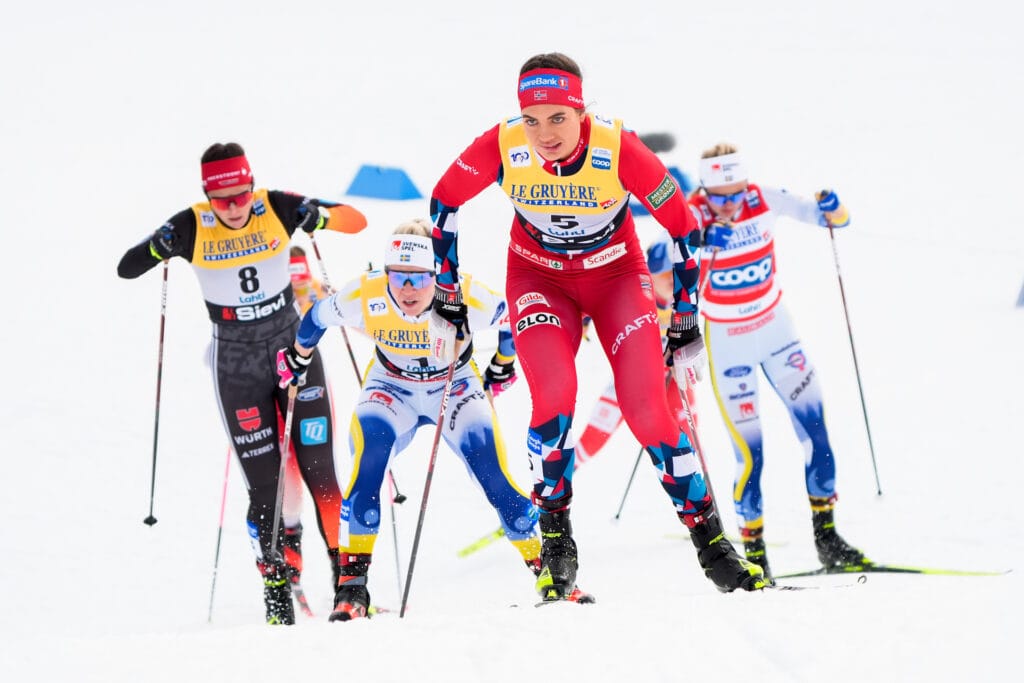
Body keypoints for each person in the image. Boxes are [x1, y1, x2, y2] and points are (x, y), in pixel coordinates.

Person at [426, 52, 767, 599]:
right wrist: (446, 296)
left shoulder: (616, 147)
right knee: (554, 398)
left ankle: (713, 546)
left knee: (646, 409)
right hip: (540, 281)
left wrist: (683, 323)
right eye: (532, 118)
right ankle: (557, 543)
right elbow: (443, 203)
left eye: (558, 117)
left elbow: (682, 232)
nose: (544, 133)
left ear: (580, 111)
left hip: (616, 281)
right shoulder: (503, 144)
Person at [276, 219, 590, 621]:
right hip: (390, 387)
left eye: (419, 278)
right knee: (368, 465)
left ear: (436, 274)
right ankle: (352, 589)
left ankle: (550, 574)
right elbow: (317, 317)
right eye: (399, 277)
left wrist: (503, 362)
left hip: (454, 385)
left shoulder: (463, 292)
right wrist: (298, 357)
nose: (407, 289)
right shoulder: (367, 292)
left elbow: (512, 317)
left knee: (495, 479)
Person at [117, 142, 368, 625]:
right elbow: (127, 268)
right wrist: (157, 246)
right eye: (222, 199)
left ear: (252, 186)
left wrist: (320, 216)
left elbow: (356, 221)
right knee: (265, 489)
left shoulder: (275, 205)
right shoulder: (190, 224)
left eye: (241, 195)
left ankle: (350, 585)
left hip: (293, 349)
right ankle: (277, 592)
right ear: (207, 195)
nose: (234, 207)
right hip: (235, 363)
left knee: (322, 474)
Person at [688, 142, 868, 579]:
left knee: (817, 434)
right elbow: (660, 257)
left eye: (737, 193)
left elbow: (834, 220)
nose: (730, 204)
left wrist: (834, 205)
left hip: (777, 333)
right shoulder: (692, 212)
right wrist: (701, 240)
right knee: (751, 457)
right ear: (705, 190)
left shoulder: (763, 198)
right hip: (728, 343)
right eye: (720, 197)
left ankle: (828, 539)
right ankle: (756, 559)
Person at [574, 238, 698, 469]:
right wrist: (583, 317)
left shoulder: (688, 297)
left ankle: (697, 494)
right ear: (649, 275)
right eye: (663, 273)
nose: (671, 278)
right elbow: (596, 297)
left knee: (689, 444)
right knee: (596, 435)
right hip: (634, 378)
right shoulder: (637, 296)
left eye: (674, 271)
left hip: (674, 376)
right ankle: (557, 486)